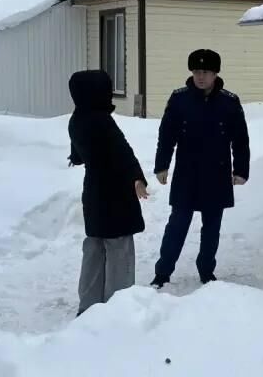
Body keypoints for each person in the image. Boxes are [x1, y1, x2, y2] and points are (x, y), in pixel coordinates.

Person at [150, 48, 250, 288]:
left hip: (217, 173)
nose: (200, 76)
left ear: (215, 73)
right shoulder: (179, 99)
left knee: (212, 227)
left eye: (205, 72)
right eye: (196, 71)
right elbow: (166, 135)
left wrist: (241, 169)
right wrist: (162, 165)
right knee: (178, 224)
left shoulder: (229, 101)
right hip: (187, 173)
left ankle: (206, 271)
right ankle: (163, 272)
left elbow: (240, 139)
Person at [67, 69, 149, 315]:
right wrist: (137, 178)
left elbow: (79, 156)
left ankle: (88, 306)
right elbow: (123, 152)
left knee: (94, 248)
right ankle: (118, 309)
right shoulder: (102, 120)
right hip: (115, 195)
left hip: (93, 193)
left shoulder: (77, 118)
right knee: (119, 250)